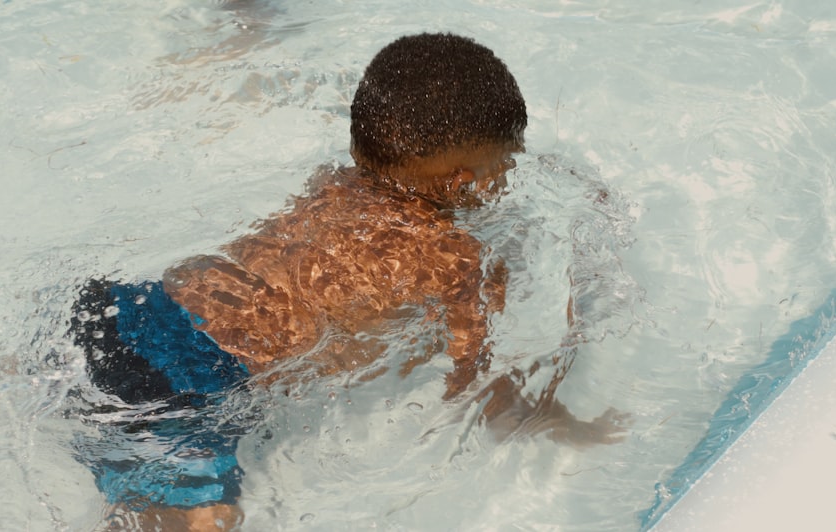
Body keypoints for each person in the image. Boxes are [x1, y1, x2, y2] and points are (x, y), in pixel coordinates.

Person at [71, 32, 558, 531]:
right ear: (464, 181)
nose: (508, 176)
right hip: (196, 380)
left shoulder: (330, 181)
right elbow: (471, 381)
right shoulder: (455, 258)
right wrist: (533, 411)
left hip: (126, 307)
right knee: (207, 520)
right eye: (507, 163)